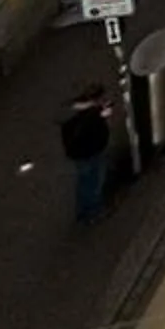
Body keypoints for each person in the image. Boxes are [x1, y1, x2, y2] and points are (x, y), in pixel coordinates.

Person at [61, 86, 113, 225]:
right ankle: (93, 212)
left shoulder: (79, 112)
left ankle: (82, 212)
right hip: (88, 153)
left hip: (82, 153)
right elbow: (91, 131)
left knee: (84, 182)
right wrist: (99, 115)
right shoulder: (88, 114)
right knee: (92, 183)